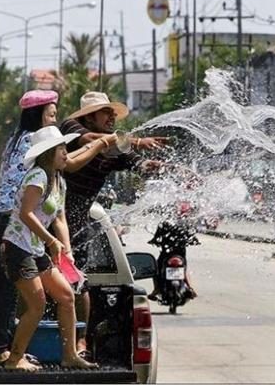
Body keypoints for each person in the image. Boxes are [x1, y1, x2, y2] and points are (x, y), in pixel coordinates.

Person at [0, 90, 116, 364]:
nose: (55, 120)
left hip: (26, 237)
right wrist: (102, 144)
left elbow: (59, 216)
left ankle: (58, 353)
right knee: (18, 298)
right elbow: (69, 164)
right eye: (51, 115)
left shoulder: (22, 144)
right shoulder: (38, 164)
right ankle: (5, 353)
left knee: (59, 295)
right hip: (16, 233)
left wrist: (65, 248)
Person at [59, 91, 165, 356]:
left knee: (79, 283)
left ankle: (80, 341)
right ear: (89, 116)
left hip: (79, 224)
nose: (112, 117)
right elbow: (95, 140)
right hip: (53, 222)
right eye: (106, 112)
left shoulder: (114, 149)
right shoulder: (70, 129)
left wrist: (161, 166)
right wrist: (138, 141)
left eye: (113, 113)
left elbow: (137, 163)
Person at [0, 126, 97, 371]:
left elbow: (59, 219)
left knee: (66, 296)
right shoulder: (38, 177)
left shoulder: (58, 181)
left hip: (34, 249)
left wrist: (67, 251)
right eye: (61, 149)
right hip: (17, 247)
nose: (67, 153)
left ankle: (70, 355)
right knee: (37, 304)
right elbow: (25, 213)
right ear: (48, 153)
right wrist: (51, 241)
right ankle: (14, 359)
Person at [147, 221, 198, 302]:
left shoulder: (164, 224)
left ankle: (156, 289)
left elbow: (157, 238)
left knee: (156, 268)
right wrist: (194, 242)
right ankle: (191, 288)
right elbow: (192, 238)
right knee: (184, 269)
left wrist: (154, 241)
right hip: (180, 253)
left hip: (166, 254)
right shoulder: (184, 224)